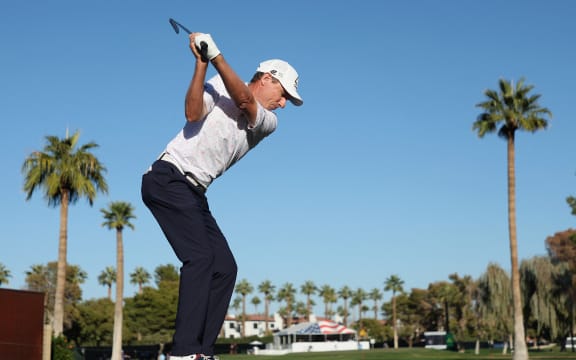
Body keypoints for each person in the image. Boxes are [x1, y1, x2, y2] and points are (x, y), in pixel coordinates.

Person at [141, 31, 303, 360]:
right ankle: (184, 353)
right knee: (200, 259)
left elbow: (244, 100)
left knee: (225, 268)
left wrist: (216, 55)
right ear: (268, 79)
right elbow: (192, 113)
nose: (284, 102)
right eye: (284, 93)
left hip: (195, 192)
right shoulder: (217, 82)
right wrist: (202, 65)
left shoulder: (268, 121)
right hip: (167, 178)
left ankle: (201, 351)